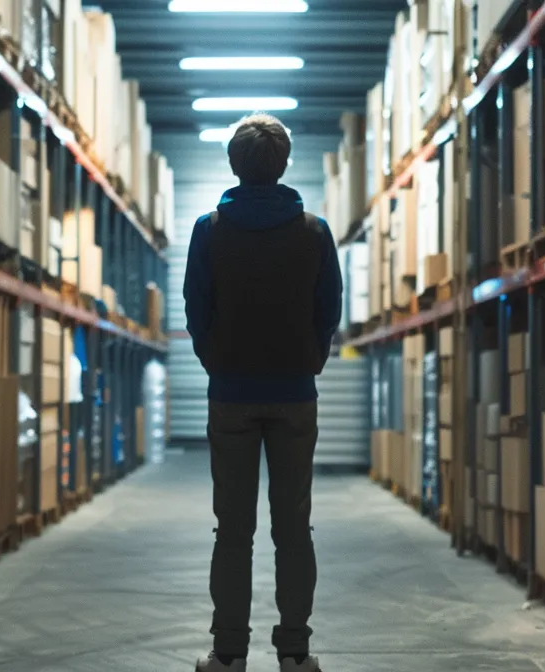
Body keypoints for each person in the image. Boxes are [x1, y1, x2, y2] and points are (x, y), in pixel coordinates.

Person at [184, 114, 343, 672]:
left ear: (234, 164)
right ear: (282, 165)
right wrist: (308, 363)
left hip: (230, 396)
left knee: (233, 529)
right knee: (293, 527)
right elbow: (330, 311)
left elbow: (195, 310)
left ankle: (228, 654)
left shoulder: (208, 229)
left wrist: (219, 364)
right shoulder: (315, 232)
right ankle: (295, 652)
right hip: (296, 396)